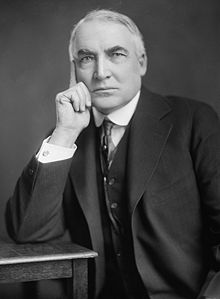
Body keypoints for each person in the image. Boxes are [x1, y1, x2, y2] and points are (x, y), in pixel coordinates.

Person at [6, 9, 220, 299]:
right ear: (74, 69)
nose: (101, 72)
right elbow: (27, 232)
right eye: (86, 58)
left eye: (116, 54)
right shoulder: (64, 139)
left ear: (141, 62)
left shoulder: (194, 121)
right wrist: (65, 134)